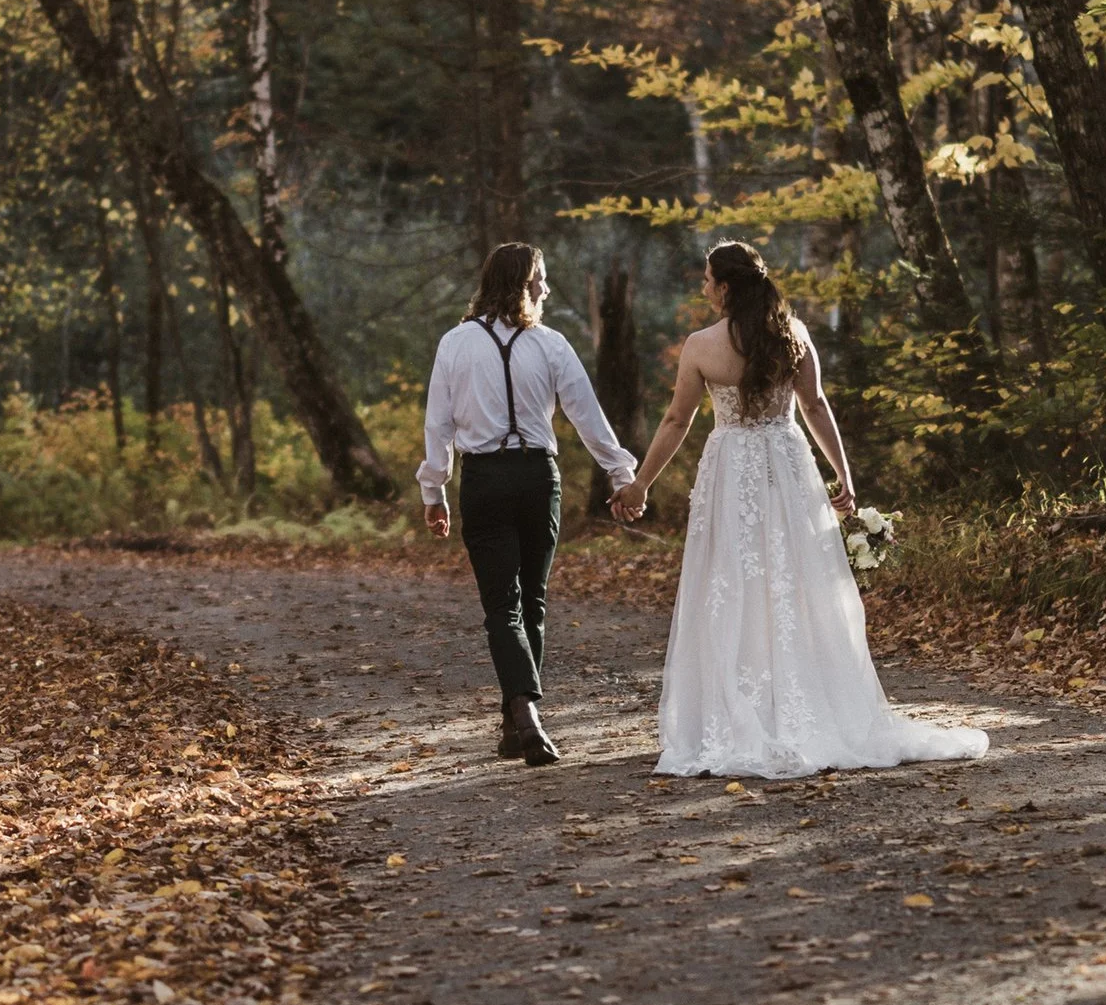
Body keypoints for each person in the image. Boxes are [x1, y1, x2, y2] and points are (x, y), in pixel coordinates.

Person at [610, 240, 988, 777]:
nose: (702, 286)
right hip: (787, 465)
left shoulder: (701, 345)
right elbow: (813, 406)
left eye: (707, 278)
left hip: (733, 470)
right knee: (796, 584)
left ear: (725, 286)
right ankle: (806, 706)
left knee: (733, 582)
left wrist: (641, 484)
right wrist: (844, 474)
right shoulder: (792, 334)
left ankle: (743, 711)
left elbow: (676, 421)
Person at [419, 243, 643, 765]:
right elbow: (588, 416)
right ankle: (520, 717)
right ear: (521, 283)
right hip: (538, 478)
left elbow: (439, 425)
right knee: (532, 601)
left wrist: (435, 490)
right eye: (540, 279)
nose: (546, 288)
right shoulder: (550, 345)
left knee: (503, 605)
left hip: (485, 480)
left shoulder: (454, 344)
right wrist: (620, 472)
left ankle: (519, 715)